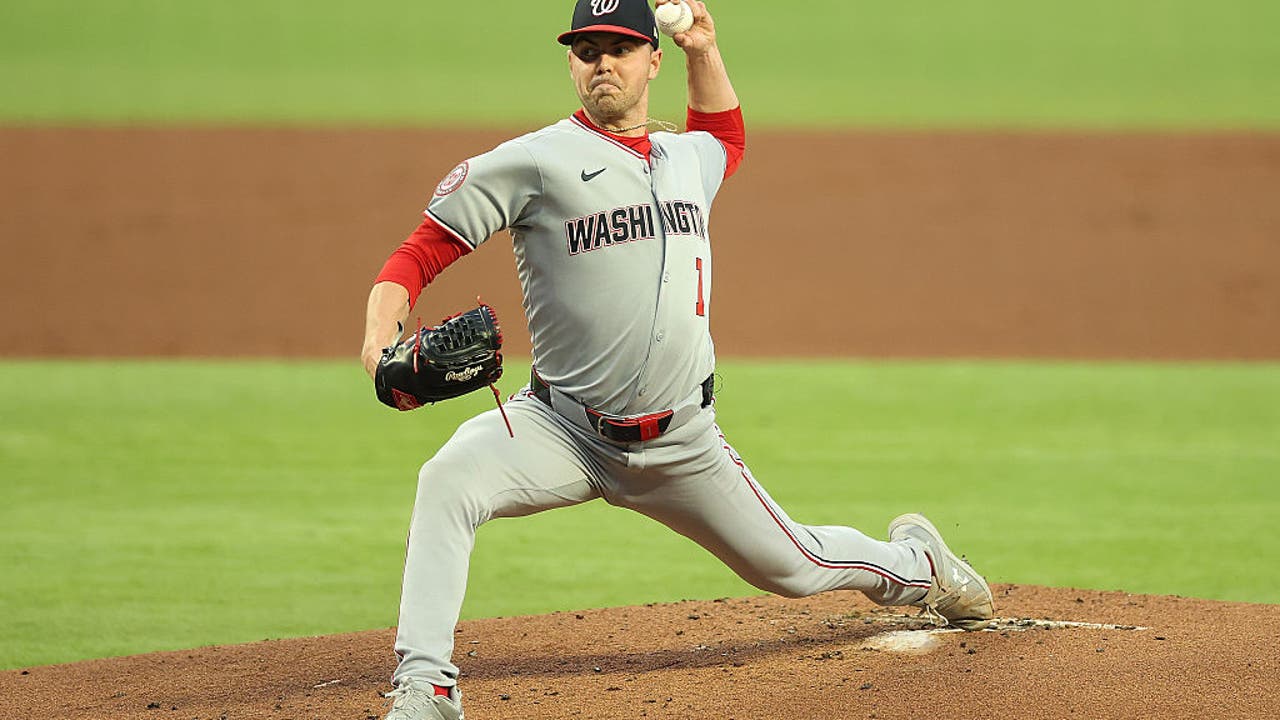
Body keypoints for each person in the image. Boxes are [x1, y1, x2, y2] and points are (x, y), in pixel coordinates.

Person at [360, 1, 995, 718]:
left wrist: (703, 48)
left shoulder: (686, 159)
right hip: (560, 428)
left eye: (620, 48)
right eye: (587, 50)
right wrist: (379, 341)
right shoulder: (533, 162)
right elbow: (419, 253)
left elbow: (725, 136)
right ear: (570, 62)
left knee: (795, 566)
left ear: (651, 60)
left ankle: (920, 565)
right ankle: (427, 688)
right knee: (447, 479)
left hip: (682, 443)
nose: (603, 63)